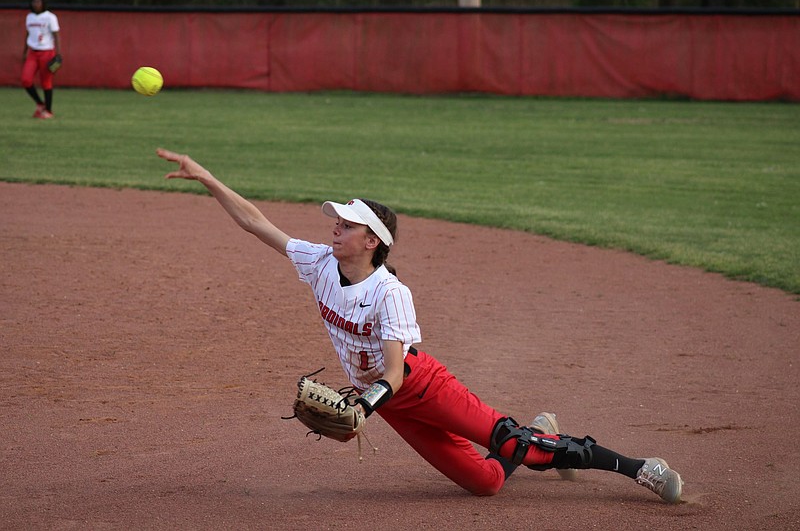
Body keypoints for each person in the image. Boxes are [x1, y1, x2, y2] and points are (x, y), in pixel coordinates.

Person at [157, 148, 684, 503]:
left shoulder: (390, 292)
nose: (335, 227)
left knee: (513, 444)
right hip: (390, 405)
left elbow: (394, 371)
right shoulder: (318, 262)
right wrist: (208, 178)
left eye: (347, 225)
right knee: (485, 483)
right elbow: (255, 222)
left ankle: (639, 467)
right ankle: (537, 430)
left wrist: (363, 405)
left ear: (372, 242)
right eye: (336, 221)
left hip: (421, 386)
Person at [22, 0, 61, 119]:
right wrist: (24, 51)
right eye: (34, 1)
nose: (35, 4)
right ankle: (40, 103)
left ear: (43, 3)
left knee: (46, 82)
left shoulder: (50, 17)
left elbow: (56, 35)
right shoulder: (29, 17)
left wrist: (58, 54)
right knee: (26, 79)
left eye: (38, 1)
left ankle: (48, 111)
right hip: (33, 52)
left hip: (47, 52)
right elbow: (28, 33)